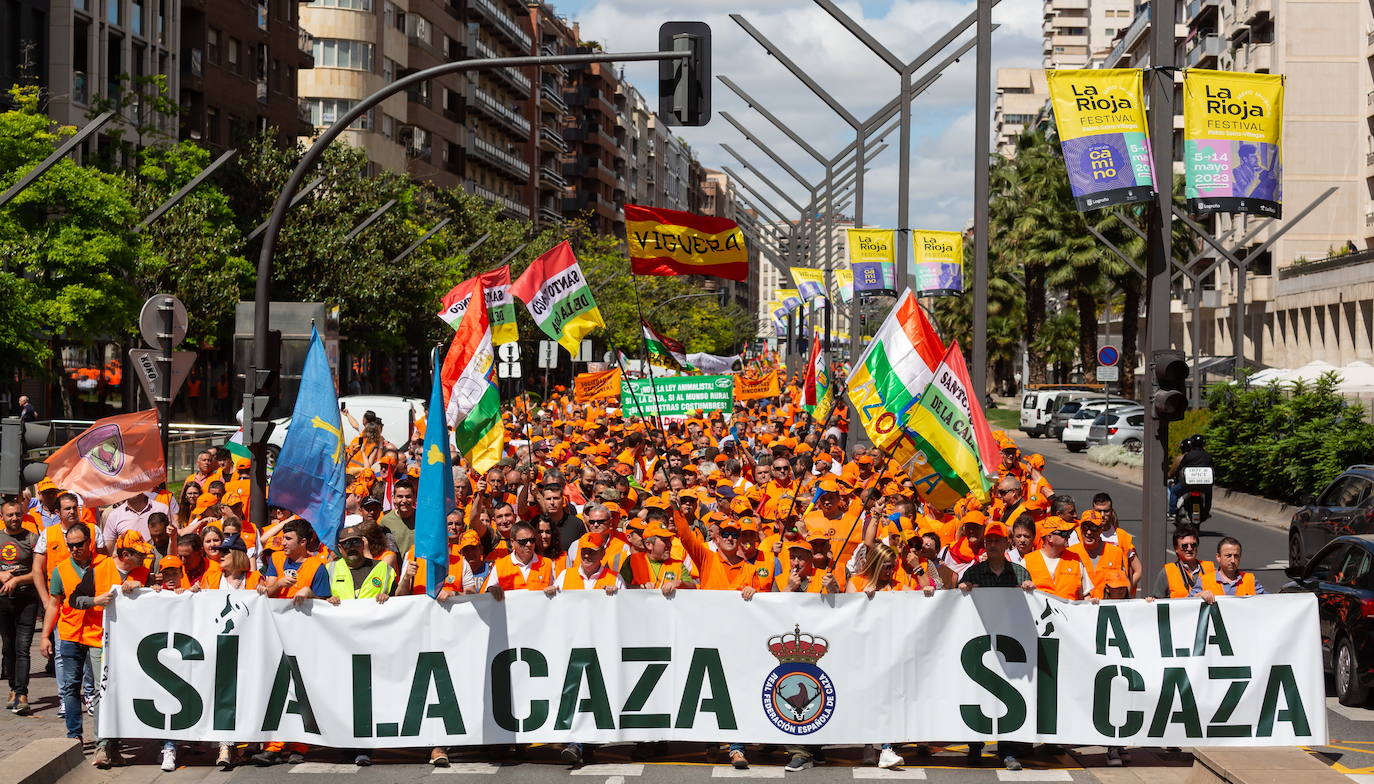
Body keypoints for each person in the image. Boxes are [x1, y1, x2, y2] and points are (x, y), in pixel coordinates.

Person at [41, 525, 146, 768]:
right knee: (70, 688)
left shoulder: (105, 564)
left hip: (98, 635)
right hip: (69, 634)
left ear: (89, 542)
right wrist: (46, 636)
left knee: (100, 690)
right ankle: (74, 736)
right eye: (71, 546)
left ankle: (103, 742)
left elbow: (128, 579)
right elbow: (55, 604)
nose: (75, 549)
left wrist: (133, 582)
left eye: (79, 544)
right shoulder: (61, 570)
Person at [252, 520, 332, 766]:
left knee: (302, 691)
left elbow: (327, 602)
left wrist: (311, 594)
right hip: (275, 636)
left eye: (288, 539)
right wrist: (277, 585)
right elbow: (264, 591)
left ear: (303, 542)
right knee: (276, 691)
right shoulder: (275, 560)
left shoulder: (317, 566)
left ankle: (300, 745)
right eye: (283, 538)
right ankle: (274, 745)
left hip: (305, 638)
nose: (282, 542)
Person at [956, 521, 1035, 771]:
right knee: (978, 693)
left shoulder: (1020, 573)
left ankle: (1008, 750)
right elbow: (958, 603)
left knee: (1009, 695)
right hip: (979, 643)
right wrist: (962, 589)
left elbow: (1033, 606)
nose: (992, 544)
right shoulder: (974, 572)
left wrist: (1029, 591)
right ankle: (975, 747)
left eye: (997, 540)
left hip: (1011, 647)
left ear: (1006, 544)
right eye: (988, 540)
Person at [325, 526, 396, 767]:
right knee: (343, 697)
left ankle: (364, 747)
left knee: (367, 697)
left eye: (356, 542)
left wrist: (389, 598)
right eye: (348, 544)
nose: (352, 547)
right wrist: (326, 600)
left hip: (373, 643)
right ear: (340, 548)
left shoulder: (383, 570)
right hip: (339, 645)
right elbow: (318, 598)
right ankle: (345, 745)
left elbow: (402, 598)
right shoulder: (330, 569)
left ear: (362, 544)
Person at [0, 499, 39, 715]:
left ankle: (22, 692)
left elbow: (38, 572)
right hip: (3, 602)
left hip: (27, 600)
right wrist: (1, 575)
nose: (14, 518)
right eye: (10, 515)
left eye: (17, 514)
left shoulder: (32, 539)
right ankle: (13, 688)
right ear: (2, 517)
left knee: (23, 647)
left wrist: (17, 580)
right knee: (8, 647)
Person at [1023, 522, 1093, 601]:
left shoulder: (1076, 560)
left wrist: (1091, 604)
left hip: (1069, 612)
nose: (1069, 536)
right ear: (1050, 537)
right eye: (1064, 534)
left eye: (1069, 533)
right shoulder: (1027, 561)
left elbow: (1086, 595)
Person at [483, 521, 556, 597]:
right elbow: (488, 596)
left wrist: (553, 589)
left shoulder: (547, 564)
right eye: (523, 541)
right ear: (512, 542)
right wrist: (491, 590)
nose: (529, 544)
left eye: (532, 540)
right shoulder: (499, 566)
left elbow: (557, 592)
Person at [1151, 527, 1214, 599]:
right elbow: (1156, 601)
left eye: (1193, 545)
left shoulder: (1209, 568)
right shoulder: (1167, 571)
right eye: (1185, 546)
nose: (1189, 549)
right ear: (1176, 549)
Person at [1194, 536, 1265, 600]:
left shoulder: (1250, 579)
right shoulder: (1204, 581)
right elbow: (1187, 604)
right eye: (1228, 555)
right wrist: (1199, 595)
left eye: (1236, 556)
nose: (1233, 560)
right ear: (1218, 557)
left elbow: (1268, 600)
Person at [1168, 435, 1214, 521]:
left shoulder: (1188, 456)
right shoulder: (1208, 456)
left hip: (1188, 485)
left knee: (1173, 491)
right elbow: (1213, 469)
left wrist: (1176, 480)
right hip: (1204, 486)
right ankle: (1206, 512)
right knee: (1209, 494)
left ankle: (1172, 512)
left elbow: (1180, 469)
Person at [379, 479, 418, 556]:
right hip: (396, 567)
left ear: (414, 497)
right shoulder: (385, 521)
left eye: (408, 496)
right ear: (393, 498)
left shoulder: (422, 518)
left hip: (420, 566)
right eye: (400, 496)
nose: (404, 500)